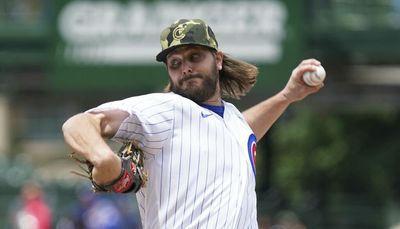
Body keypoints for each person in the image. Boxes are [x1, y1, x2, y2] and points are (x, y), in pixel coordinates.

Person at [62, 19, 324, 228]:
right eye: (175, 63)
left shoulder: (231, 120)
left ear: (218, 59)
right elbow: (79, 123)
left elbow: (242, 131)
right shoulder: (166, 109)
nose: (185, 67)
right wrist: (104, 158)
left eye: (195, 56)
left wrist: (287, 96)